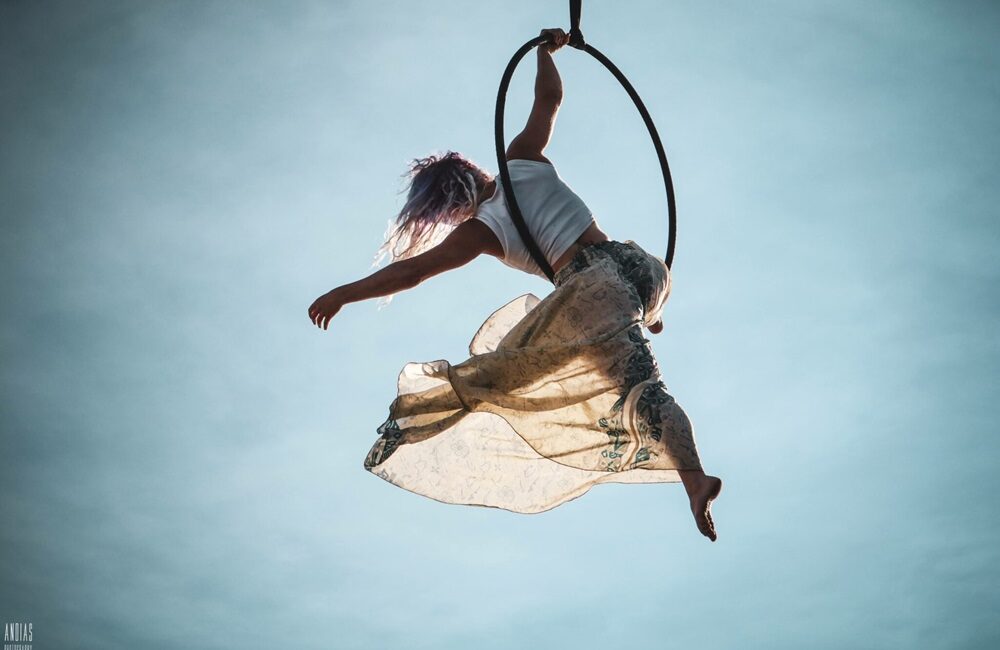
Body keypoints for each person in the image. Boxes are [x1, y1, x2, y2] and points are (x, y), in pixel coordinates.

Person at [309, 28, 723, 541]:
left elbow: (411, 272)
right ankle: (653, 331)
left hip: (594, 289)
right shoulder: (521, 158)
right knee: (625, 348)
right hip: (643, 268)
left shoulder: (481, 229)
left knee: (530, 373)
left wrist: (343, 294)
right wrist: (547, 52)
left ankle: (693, 478)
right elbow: (549, 98)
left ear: (445, 207)